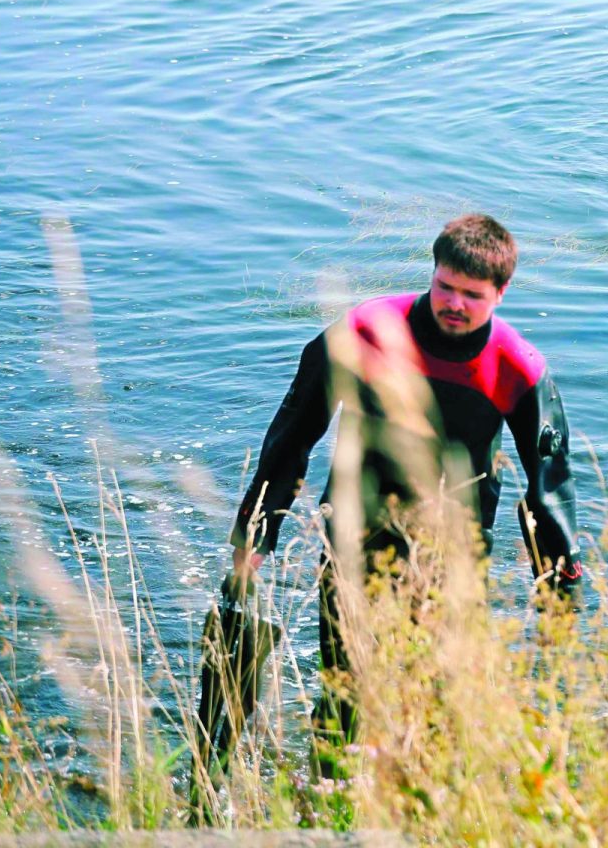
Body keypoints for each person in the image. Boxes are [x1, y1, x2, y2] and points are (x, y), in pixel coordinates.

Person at [217, 213, 580, 767]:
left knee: (439, 704)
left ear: (501, 293)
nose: (454, 303)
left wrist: (558, 591)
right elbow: (291, 440)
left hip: (456, 550)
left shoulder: (517, 368)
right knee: (345, 692)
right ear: (432, 273)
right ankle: (330, 803)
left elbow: (548, 490)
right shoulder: (365, 332)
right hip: (352, 536)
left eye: (472, 295)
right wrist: (254, 542)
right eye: (445, 287)